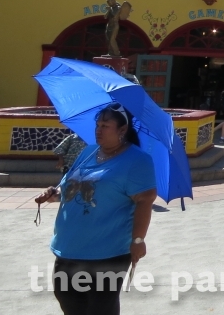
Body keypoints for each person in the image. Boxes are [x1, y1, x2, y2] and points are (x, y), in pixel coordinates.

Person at [35, 103, 157, 315]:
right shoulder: (89, 152)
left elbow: (145, 201)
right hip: (69, 245)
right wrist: (53, 194)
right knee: (68, 301)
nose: (98, 130)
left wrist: (138, 240)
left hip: (107, 252)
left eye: (105, 125)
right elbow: (71, 186)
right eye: (97, 124)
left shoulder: (138, 160)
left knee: (100, 309)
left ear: (122, 130)